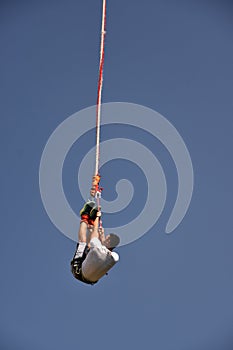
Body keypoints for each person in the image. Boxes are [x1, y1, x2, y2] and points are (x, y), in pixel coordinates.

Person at [70, 199, 120, 285]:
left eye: (107, 239)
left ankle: (84, 216)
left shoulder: (99, 250)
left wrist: (97, 217)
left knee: (83, 243)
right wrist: (102, 234)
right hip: (92, 276)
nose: (105, 239)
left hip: (79, 271)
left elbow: (95, 234)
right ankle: (91, 223)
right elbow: (102, 244)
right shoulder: (109, 255)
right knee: (90, 247)